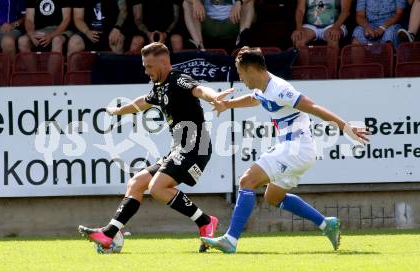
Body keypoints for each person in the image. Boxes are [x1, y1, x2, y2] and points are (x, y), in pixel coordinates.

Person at [201, 47, 370, 253]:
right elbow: (255, 99)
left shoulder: (280, 89)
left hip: (296, 148)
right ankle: (327, 224)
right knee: (273, 197)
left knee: (247, 181)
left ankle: (230, 240)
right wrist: (227, 105)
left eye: (241, 73)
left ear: (251, 69)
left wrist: (346, 127)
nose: (241, 78)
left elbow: (314, 107)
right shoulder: (264, 86)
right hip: (294, 148)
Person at [78, 42, 231, 253]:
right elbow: (145, 101)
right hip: (178, 149)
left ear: (164, 62)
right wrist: (120, 111)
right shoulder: (160, 86)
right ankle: (109, 233)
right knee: (136, 183)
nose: (146, 70)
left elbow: (199, 90)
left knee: (158, 188)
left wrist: (214, 97)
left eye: (149, 66)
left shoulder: (178, 79)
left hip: (196, 147)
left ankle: (205, 221)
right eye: (144, 66)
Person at [183, 0, 255, 49]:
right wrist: (195, 1)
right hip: (207, 21)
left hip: (233, 20)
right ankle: (199, 46)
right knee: (187, 3)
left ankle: (242, 43)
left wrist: (239, 1)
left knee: (249, 2)